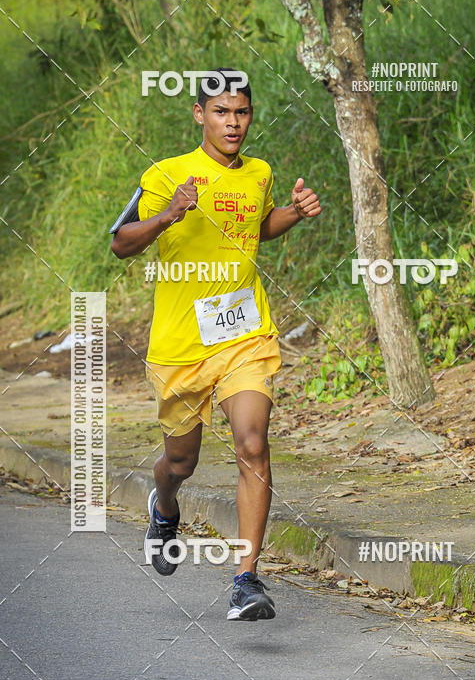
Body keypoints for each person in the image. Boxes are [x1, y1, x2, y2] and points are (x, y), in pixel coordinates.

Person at [110, 68, 321, 621]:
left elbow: (254, 228)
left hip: (243, 335)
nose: (233, 123)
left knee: (253, 443)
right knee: (181, 462)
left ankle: (246, 580)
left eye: (242, 112)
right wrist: (167, 215)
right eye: (222, 112)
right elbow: (120, 243)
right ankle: (164, 504)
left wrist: (292, 215)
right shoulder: (166, 173)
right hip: (181, 345)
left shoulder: (260, 173)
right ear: (200, 114)